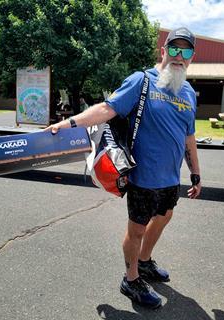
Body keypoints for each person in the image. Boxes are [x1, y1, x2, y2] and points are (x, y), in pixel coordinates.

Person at [45, 27, 201, 308]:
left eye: (186, 51)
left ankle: (144, 262)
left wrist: (196, 173)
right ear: (163, 51)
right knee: (137, 231)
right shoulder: (142, 80)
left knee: (164, 217)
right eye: (174, 49)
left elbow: (189, 137)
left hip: (170, 177)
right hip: (142, 175)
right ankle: (130, 280)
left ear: (191, 57)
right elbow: (107, 109)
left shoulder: (189, 93)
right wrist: (67, 123)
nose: (179, 56)